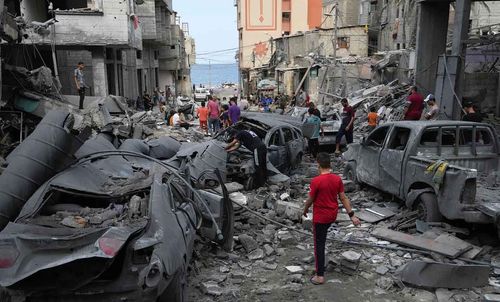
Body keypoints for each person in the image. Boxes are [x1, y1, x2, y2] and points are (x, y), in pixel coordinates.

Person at [302, 153, 361, 285]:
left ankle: (320, 275)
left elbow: (310, 200)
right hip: (332, 216)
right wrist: (352, 215)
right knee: (322, 239)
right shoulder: (337, 179)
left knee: (319, 245)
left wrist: (305, 210)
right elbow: (343, 198)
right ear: (330, 164)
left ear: (318, 165)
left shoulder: (316, 181)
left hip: (320, 218)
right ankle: (321, 266)